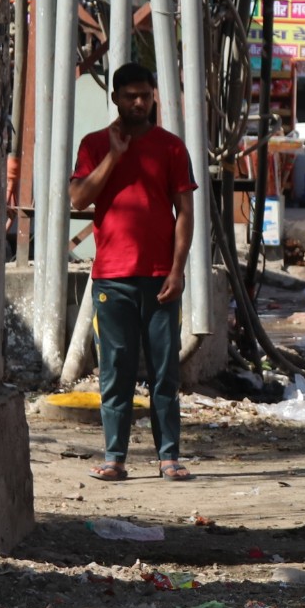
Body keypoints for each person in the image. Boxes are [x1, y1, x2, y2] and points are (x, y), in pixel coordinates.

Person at [70, 63, 198, 482]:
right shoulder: (93, 145)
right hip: (112, 279)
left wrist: (178, 270)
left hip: (161, 277)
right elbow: (79, 198)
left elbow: (185, 213)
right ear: (116, 99)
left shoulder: (172, 148)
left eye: (145, 95)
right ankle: (114, 457)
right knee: (115, 369)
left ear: (154, 96)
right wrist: (115, 156)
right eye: (130, 96)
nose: (139, 102)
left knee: (165, 371)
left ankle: (168, 457)